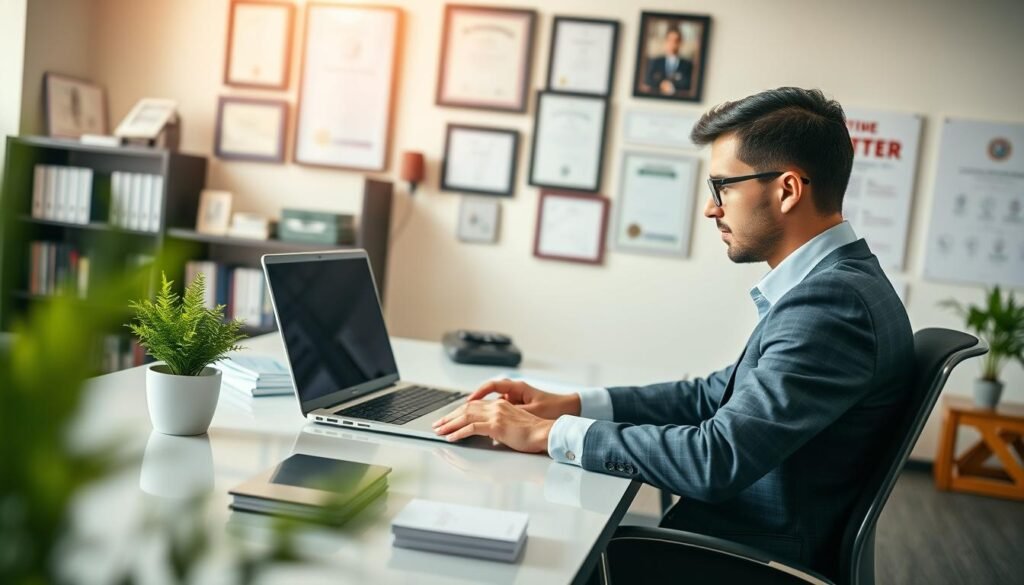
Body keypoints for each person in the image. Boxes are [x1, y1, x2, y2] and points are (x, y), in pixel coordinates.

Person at [432, 87, 915, 577]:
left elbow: (715, 457)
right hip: (739, 538)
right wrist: (572, 405)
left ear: (788, 189)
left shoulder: (831, 305)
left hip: (746, 561)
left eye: (722, 186)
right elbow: (716, 395)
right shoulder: (838, 285)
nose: (711, 209)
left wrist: (550, 433)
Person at [642, 25, 693, 97]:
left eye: (676, 41)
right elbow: (648, 80)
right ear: (665, 42)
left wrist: (672, 85)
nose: (673, 44)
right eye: (670, 40)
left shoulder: (687, 64)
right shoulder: (655, 61)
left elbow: (689, 84)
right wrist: (661, 84)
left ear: (680, 43)